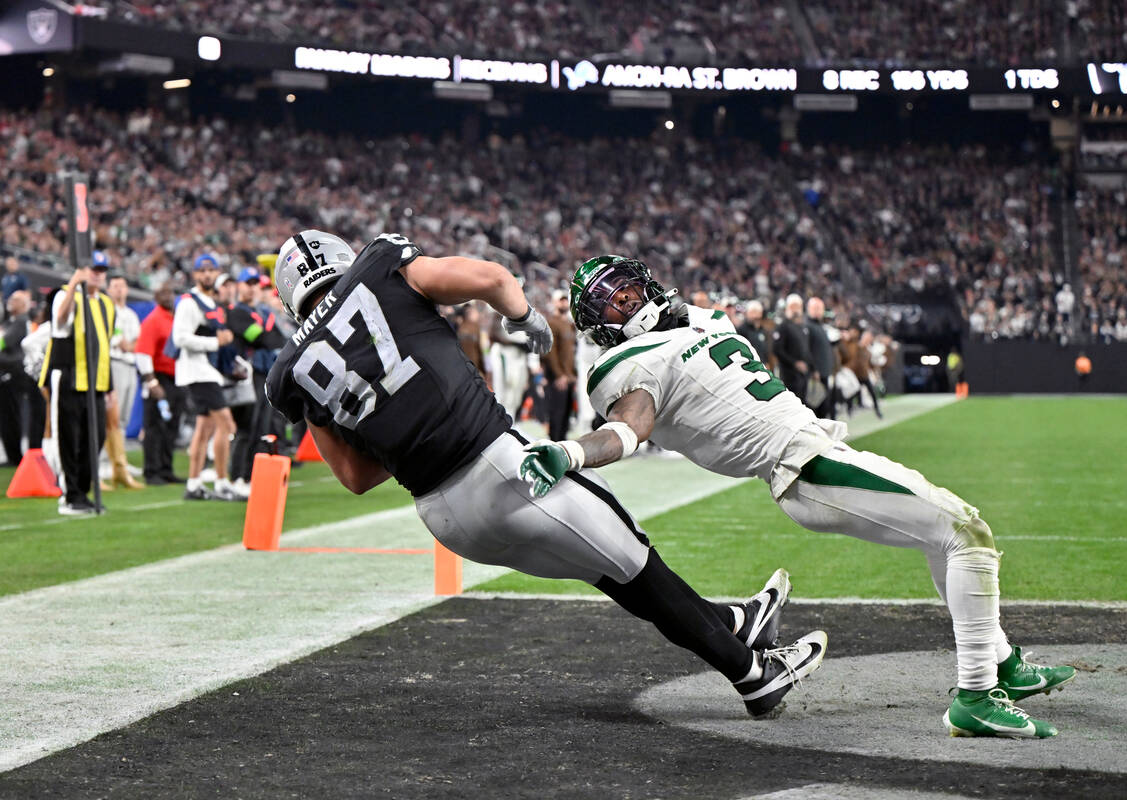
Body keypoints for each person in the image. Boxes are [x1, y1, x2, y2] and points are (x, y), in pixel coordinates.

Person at [265, 230, 826, 719]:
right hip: (500, 466)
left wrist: (402, 426)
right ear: (339, 256)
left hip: (444, 517)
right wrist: (525, 317)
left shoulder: (288, 370)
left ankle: (737, 622)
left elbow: (357, 477)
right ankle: (754, 673)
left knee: (612, 571)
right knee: (634, 561)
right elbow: (490, 277)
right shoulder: (380, 264)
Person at [521, 254, 1075, 739]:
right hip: (802, 466)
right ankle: (976, 697)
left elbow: (703, 323)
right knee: (966, 532)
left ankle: (999, 662)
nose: (627, 299)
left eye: (628, 287)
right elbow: (629, 428)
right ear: (602, 329)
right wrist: (571, 454)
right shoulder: (629, 365)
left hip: (816, 450)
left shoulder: (697, 322)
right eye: (611, 302)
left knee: (942, 535)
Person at [40, 254, 115, 514]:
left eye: (101, 270)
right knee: (68, 437)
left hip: (96, 381)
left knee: (96, 438)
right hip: (69, 375)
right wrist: (74, 284)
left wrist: (109, 386)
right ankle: (70, 494)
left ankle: (82, 491)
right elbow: (60, 323)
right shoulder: (65, 295)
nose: (97, 274)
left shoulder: (106, 303)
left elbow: (105, 346)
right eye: (92, 269)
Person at [172, 254, 241, 501]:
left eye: (211, 270)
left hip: (209, 371)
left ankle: (193, 484)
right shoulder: (188, 303)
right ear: (195, 275)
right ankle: (223, 482)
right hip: (197, 372)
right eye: (202, 271)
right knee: (227, 425)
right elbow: (179, 338)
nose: (207, 275)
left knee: (204, 429)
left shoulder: (211, 303)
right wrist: (214, 342)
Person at [224, 267, 284, 492]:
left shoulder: (263, 313)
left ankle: (250, 475)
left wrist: (269, 336)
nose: (252, 288)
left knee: (261, 426)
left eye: (255, 284)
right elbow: (262, 338)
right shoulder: (236, 313)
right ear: (239, 286)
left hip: (262, 374)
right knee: (246, 427)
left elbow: (277, 339)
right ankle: (237, 475)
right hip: (246, 375)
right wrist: (268, 335)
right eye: (248, 283)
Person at [135, 284, 184, 484]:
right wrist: (152, 382)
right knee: (154, 426)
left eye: (170, 292)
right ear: (155, 297)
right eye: (162, 293)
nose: (167, 296)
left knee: (171, 426)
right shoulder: (153, 320)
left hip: (176, 378)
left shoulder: (174, 318)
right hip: (159, 377)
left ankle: (166, 469)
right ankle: (151, 471)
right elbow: (142, 353)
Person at [102, 273, 145, 489]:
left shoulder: (130, 314)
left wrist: (130, 345)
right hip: (114, 362)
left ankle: (121, 462)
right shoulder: (106, 310)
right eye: (115, 285)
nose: (119, 289)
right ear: (109, 289)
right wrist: (126, 344)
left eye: (122, 285)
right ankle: (104, 462)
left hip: (130, 363)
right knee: (112, 415)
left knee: (125, 415)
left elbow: (138, 341)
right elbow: (115, 340)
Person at [0, 291, 43, 466]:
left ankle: (16, 456)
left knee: (12, 416)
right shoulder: (10, 321)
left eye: (16, 300)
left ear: (25, 304)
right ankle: (13, 455)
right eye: (11, 299)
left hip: (14, 374)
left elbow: (4, 342)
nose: (11, 302)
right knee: (7, 417)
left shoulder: (20, 321)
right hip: (8, 373)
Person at [541, 289, 576, 440]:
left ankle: (562, 446)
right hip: (558, 378)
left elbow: (570, 353)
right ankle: (554, 446)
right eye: (560, 300)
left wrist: (572, 374)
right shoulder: (551, 322)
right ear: (554, 302)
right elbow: (550, 352)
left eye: (565, 300)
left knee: (566, 414)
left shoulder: (568, 323)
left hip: (568, 377)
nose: (564, 303)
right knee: (557, 413)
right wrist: (559, 375)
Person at [771, 294, 812, 405]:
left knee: (804, 404)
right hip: (789, 374)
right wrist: (795, 363)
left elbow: (806, 349)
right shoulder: (783, 326)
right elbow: (777, 349)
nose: (795, 310)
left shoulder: (802, 327)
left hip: (803, 374)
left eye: (798, 306)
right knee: (794, 405)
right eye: (793, 306)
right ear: (787, 308)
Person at [804, 297, 837, 419]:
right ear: (809, 309)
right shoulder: (807, 325)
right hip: (815, 374)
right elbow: (806, 350)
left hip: (824, 371)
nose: (818, 311)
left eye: (820, 308)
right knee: (815, 407)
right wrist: (813, 369)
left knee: (824, 406)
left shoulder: (820, 326)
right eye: (815, 308)